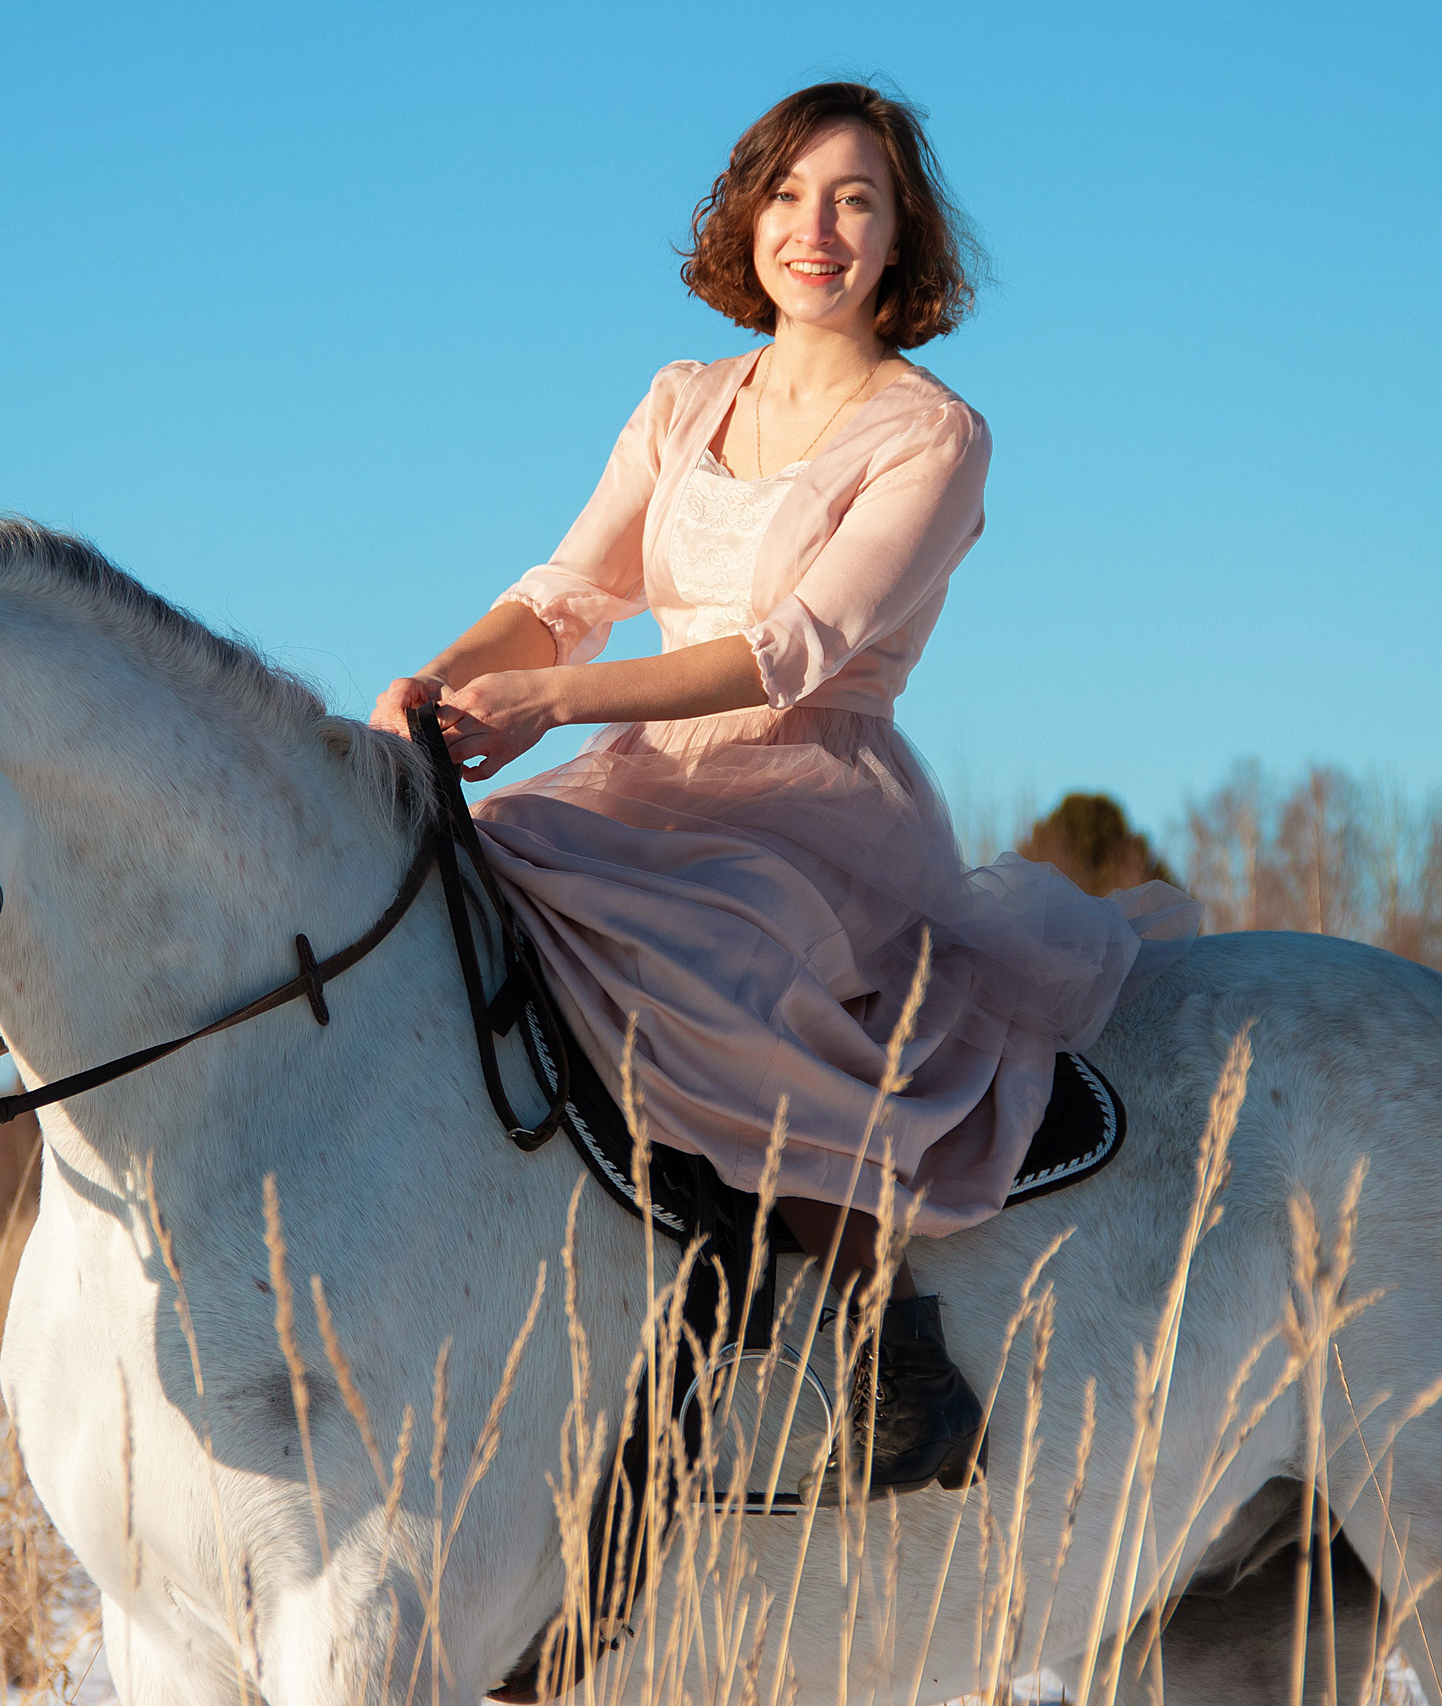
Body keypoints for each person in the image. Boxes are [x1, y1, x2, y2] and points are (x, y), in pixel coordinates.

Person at [369, 82, 1197, 1502]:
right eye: (790, 194)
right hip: (650, 772)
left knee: (726, 942)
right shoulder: (684, 400)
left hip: (819, 793)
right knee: (468, 876)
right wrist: (435, 685)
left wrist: (556, 700)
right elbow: (565, 597)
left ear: (900, 238)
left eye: (856, 199)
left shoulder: (934, 437)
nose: (817, 229)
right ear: (746, 216)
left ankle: (895, 1357)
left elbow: (789, 652)